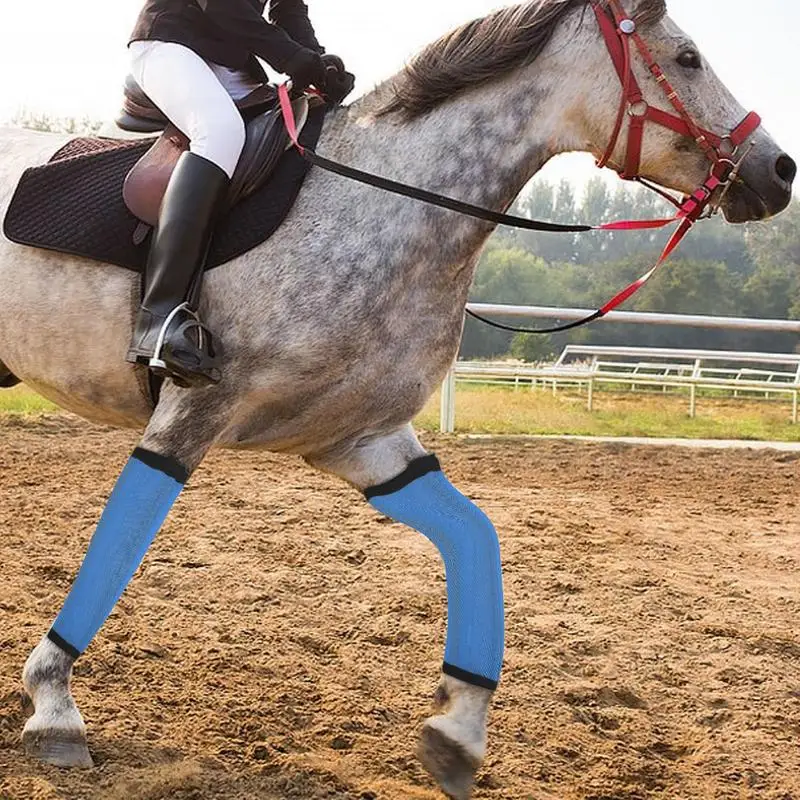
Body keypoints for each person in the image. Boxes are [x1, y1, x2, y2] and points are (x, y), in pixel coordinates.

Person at [126, 0, 353, 387]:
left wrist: (319, 64)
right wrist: (295, 59)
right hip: (171, 43)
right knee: (220, 132)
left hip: (230, 59)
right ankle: (159, 317)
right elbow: (223, 7)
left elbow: (288, 11)